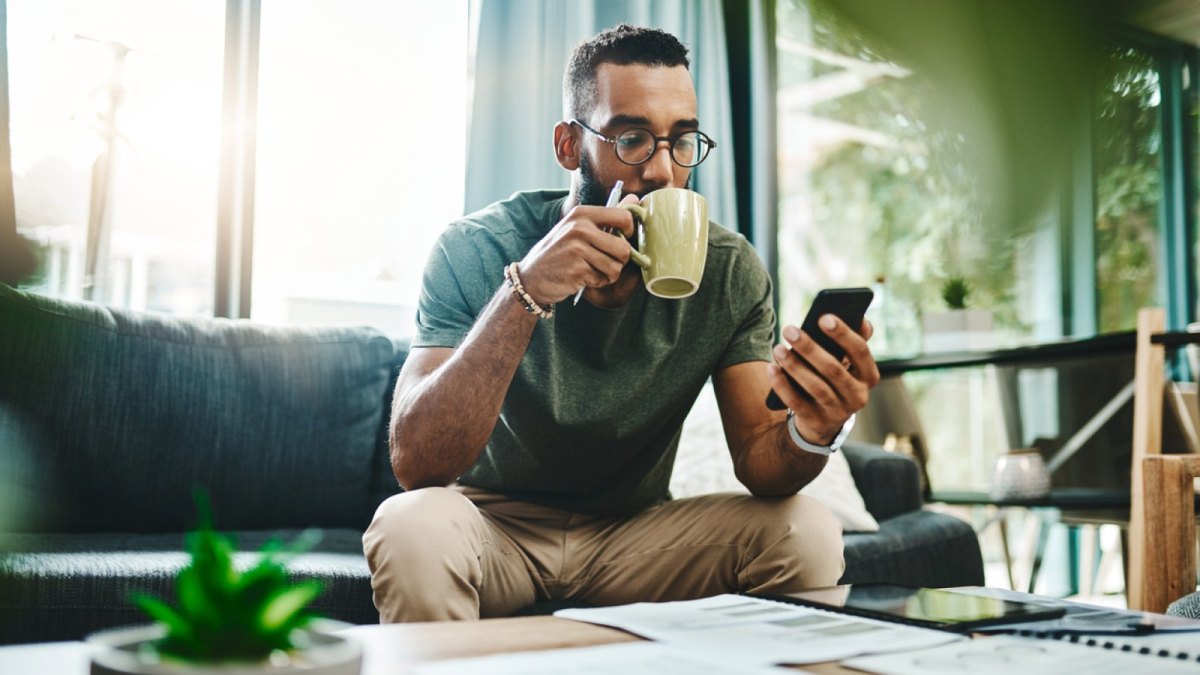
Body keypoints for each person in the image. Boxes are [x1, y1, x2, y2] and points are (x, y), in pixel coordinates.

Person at [363, 24, 879, 622]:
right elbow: (417, 464)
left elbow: (762, 467)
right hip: (492, 528)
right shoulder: (475, 248)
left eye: (682, 141)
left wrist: (814, 428)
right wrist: (524, 293)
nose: (662, 171)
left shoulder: (729, 271)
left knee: (805, 529)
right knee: (410, 525)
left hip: (637, 538)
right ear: (568, 146)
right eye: (631, 138)